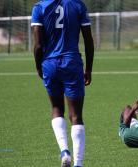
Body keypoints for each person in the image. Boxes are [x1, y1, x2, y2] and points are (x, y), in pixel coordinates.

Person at [31, 0, 94, 167]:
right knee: (76, 115)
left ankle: (65, 151)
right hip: (72, 63)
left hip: (49, 64)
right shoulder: (78, 5)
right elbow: (88, 40)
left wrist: (39, 67)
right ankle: (78, 164)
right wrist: (89, 69)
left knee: (57, 108)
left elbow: (37, 46)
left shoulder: (39, 7)